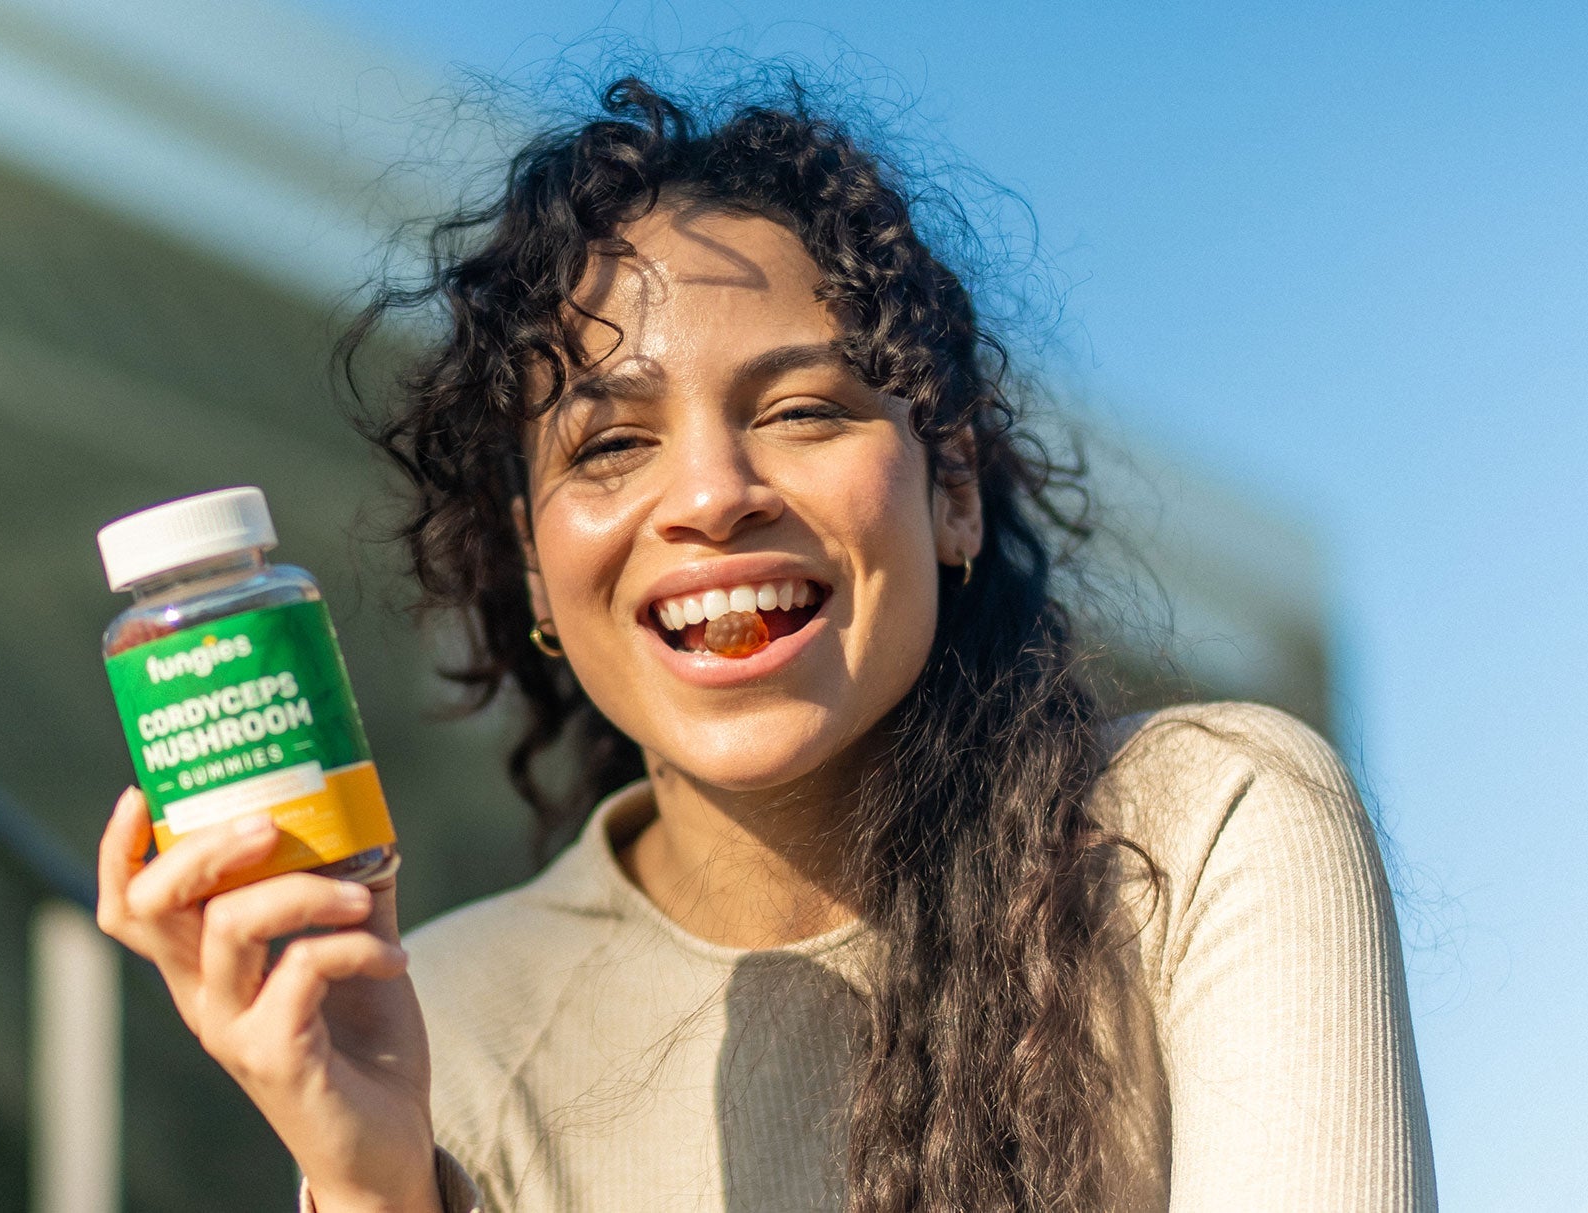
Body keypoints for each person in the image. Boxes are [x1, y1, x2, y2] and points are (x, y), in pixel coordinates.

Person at [96, 77, 1437, 1212]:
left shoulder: (1204, 823)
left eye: (801, 409)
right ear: (535, 575)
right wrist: (373, 1182)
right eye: (611, 444)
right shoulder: (436, 1018)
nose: (708, 493)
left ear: (950, 486)